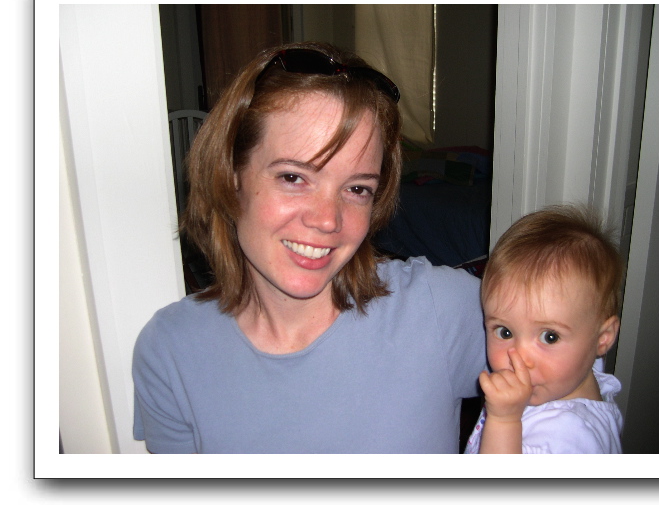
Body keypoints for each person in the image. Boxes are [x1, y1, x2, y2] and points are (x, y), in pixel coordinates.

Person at [133, 42, 486, 453]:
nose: (328, 220)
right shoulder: (171, 351)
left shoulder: (440, 312)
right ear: (231, 175)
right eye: (294, 177)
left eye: (357, 188)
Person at [464, 205, 624, 454]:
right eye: (505, 332)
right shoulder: (574, 374)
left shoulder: (565, 439)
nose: (520, 359)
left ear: (602, 339)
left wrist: (504, 420)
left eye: (550, 337)